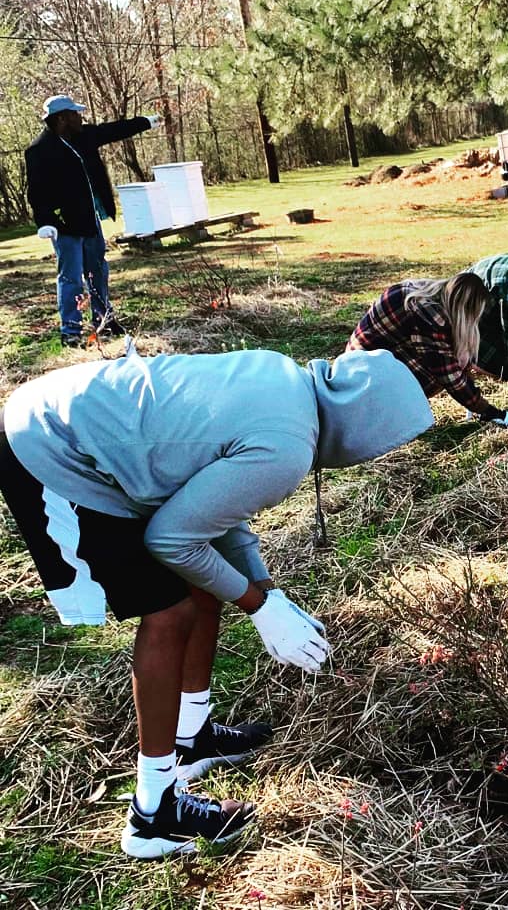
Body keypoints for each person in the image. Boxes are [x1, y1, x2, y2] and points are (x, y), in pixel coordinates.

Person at [0, 346, 433, 858]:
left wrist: (268, 592)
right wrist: (260, 607)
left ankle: (194, 737)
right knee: (170, 611)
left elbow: (215, 517)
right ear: (367, 428)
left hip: (68, 413)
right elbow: (171, 541)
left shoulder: (286, 379)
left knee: (204, 584)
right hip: (54, 446)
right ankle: (153, 815)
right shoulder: (287, 447)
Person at [25, 95, 159, 347]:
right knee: (71, 277)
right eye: (75, 113)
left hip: (90, 220)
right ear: (62, 118)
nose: (80, 116)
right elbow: (37, 191)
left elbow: (114, 130)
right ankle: (71, 332)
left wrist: (146, 122)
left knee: (97, 270)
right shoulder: (39, 150)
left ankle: (104, 320)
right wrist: (44, 221)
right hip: (64, 226)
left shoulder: (83, 136)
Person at [346, 273, 508, 427]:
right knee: (437, 374)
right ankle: (392, 416)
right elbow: (449, 376)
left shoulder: (422, 290)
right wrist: (490, 412)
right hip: (364, 383)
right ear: (465, 310)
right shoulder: (429, 317)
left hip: (361, 363)